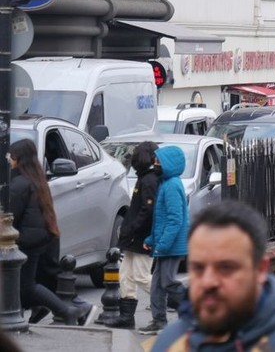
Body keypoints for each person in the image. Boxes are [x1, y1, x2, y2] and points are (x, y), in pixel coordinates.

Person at [151, 201, 275, 351]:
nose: (208, 281)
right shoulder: (170, 343)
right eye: (198, 268)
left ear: (260, 269)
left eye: (225, 268)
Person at [8, 139, 94, 326]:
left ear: (18, 159)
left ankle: (66, 311)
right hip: (40, 238)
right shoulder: (36, 180)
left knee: (27, 286)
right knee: (30, 284)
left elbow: (10, 216)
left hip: (25, 241)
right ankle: (59, 309)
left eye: (11, 157)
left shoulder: (19, 184)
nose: (9, 160)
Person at [106, 141, 160, 329]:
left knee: (141, 276)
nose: (133, 158)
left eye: (136, 154)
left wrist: (133, 228)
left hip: (141, 238)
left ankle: (172, 301)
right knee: (126, 275)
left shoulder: (149, 180)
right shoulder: (144, 178)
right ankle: (126, 317)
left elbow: (148, 210)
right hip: (132, 237)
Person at [139, 145, 190, 335]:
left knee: (167, 282)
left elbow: (175, 220)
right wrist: (152, 239)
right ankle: (159, 321)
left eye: (159, 161)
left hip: (172, 246)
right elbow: (161, 219)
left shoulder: (171, 186)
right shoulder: (166, 183)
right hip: (166, 245)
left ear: (169, 164)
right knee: (157, 285)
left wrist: (162, 245)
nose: (155, 163)